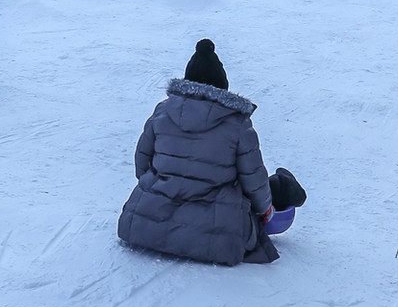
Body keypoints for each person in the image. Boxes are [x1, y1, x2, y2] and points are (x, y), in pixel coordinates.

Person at [117, 39, 283, 266]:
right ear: (222, 85)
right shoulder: (237, 124)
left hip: (144, 225)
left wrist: (162, 186)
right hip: (216, 234)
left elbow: (141, 162)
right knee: (277, 192)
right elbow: (254, 181)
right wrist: (266, 212)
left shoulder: (163, 111)